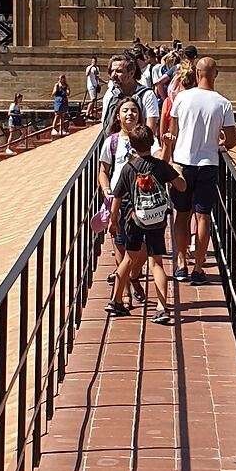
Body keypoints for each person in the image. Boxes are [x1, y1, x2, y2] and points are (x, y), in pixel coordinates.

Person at [162, 53, 236, 281]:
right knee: (203, 216)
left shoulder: (182, 98)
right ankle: (198, 269)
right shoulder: (223, 103)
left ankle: (181, 263)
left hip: (183, 163)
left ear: (197, 74)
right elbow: (231, 141)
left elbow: (172, 133)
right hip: (208, 164)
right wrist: (220, 141)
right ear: (215, 75)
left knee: (182, 215)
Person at [109, 120, 185, 325]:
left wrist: (113, 220)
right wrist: (176, 170)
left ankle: (115, 300)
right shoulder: (160, 166)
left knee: (128, 259)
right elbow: (181, 187)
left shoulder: (128, 168)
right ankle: (162, 306)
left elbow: (117, 196)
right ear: (152, 142)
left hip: (134, 219)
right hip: (157, 221)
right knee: (156, 262)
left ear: (132, 146)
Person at [98, 96, 144, 310]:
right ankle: (124, 291)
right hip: (119, 198)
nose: (130, 114)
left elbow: (158, 158)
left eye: (134, 110)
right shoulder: (112, 141)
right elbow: (103, 171)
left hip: (141, 198)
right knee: (119, 244)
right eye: (125, 110)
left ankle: (133, 276)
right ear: (118, 116)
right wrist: (106, 190)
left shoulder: (146, 139)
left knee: (141, 247)